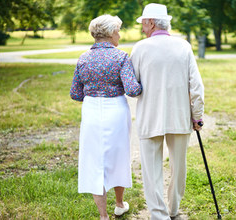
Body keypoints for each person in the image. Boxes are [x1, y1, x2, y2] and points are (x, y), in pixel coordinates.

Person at [130, 3, 204, 220]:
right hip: (179, 116)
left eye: (144, 23)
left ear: (151, 22)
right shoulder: (184, 46)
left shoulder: (140, 48)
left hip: (150, 117)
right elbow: (196, 87)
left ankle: (159, 215)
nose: (143, 28)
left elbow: (133, 87)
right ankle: (173, 209)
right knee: (178, 166)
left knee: (151, 171)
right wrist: (197, 115)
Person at [70, 14, 142, 220]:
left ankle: (103, 216)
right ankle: (119, 204)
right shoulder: (121, 57)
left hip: (92, 110)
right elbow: (132, 90)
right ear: (111, 34)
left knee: (94, 160)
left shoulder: (83, 58)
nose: (119, 34)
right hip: (116, 111)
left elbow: (75, 93)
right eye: (118, 31)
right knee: (118, 157)